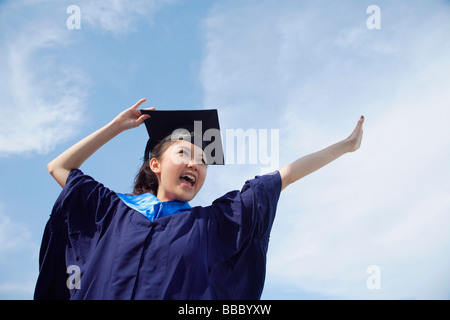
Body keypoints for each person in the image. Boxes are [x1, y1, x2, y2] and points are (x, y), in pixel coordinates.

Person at [34, 98, 364, 300]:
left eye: (202, 160)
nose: (195, 164)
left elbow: (285, 176)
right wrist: (117, 126)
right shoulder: (111, 211)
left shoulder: (210, 225)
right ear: (155, 165)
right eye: (183, 153)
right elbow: (59, 166)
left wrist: (346, 146)